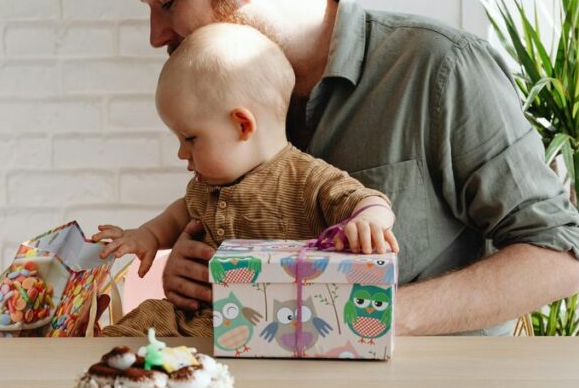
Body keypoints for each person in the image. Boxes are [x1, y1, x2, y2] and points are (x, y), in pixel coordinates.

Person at [76, 0, 579, 336]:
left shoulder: (439, 67)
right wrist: (194, 274)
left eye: (166, 1)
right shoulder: (230, 97)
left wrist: (373, 316)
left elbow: (556, 258)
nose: (156, 34)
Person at [94, 22, 397, 337]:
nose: (182, 153)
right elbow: (178, 214)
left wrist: (370, 221)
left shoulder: (306, 178)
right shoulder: (207, 185)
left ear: (242, 125)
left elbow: (364, 199)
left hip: (274, 323)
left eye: (190, 138)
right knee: (132, 327)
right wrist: (147, 237)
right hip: (195, 318)